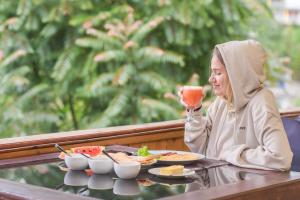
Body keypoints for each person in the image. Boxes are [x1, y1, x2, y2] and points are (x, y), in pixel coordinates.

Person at [180, 40, 293, 171]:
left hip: (245, 189)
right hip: (217, 187)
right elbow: (201, 150)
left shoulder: (262, 101)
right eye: (212, 72)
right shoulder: (220, 103)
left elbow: (280, 158)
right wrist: (194, 111)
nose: (211, 79)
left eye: (218, 73)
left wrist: (232, 153)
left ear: (236, 74)